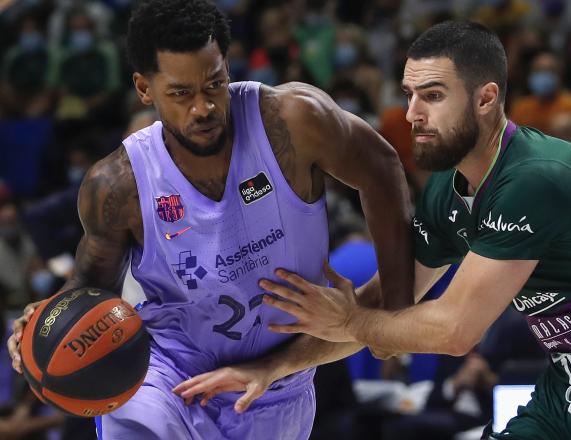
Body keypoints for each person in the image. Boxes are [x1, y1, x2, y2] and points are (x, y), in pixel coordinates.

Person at [177, 21, 571, 440]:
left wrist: (350, 322)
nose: (412, 115)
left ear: (486, 98)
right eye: (409, 96)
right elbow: (383, 308)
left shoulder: (538, 179)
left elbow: (454, 331)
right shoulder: (446, 194)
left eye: (432, 96)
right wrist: (270, 368)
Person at [6, 1, 414, 439]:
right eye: (181, 93)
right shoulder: (118, 184)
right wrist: (46, 322)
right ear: (145, 88)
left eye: (214, 84)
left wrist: (396, 307)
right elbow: (92, 284)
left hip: (276, 383)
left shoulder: (292, 122)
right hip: (167, 374)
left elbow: (383, 170)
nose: (202, 108)